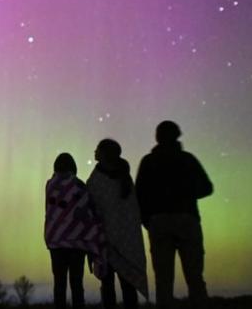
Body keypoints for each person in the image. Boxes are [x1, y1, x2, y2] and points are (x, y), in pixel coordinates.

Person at [135, 121, 213, 309]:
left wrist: (148, 220)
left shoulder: (149, 161)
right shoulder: (188, 160)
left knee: (163, 279)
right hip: (186, 220)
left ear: (157, 137)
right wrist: (186, 195)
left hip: (160, 223)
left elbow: (139, 195)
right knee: (194, 276)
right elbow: (207, 188)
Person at [87, 139, 148, 309]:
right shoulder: (124, 176)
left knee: (110, 286)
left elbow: (91, 210)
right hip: (124, 241)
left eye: (98, 148)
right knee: (125, 285)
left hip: (106, 241)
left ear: (104, 153)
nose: (95, 151)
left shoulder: (99, 179)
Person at [45, 153, 106, 309]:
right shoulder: (79, 185)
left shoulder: (50, 185)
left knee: (59, 284)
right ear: (74, 167)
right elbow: (89, 211)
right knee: (77, 284)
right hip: (77, 242)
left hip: (56, 241)